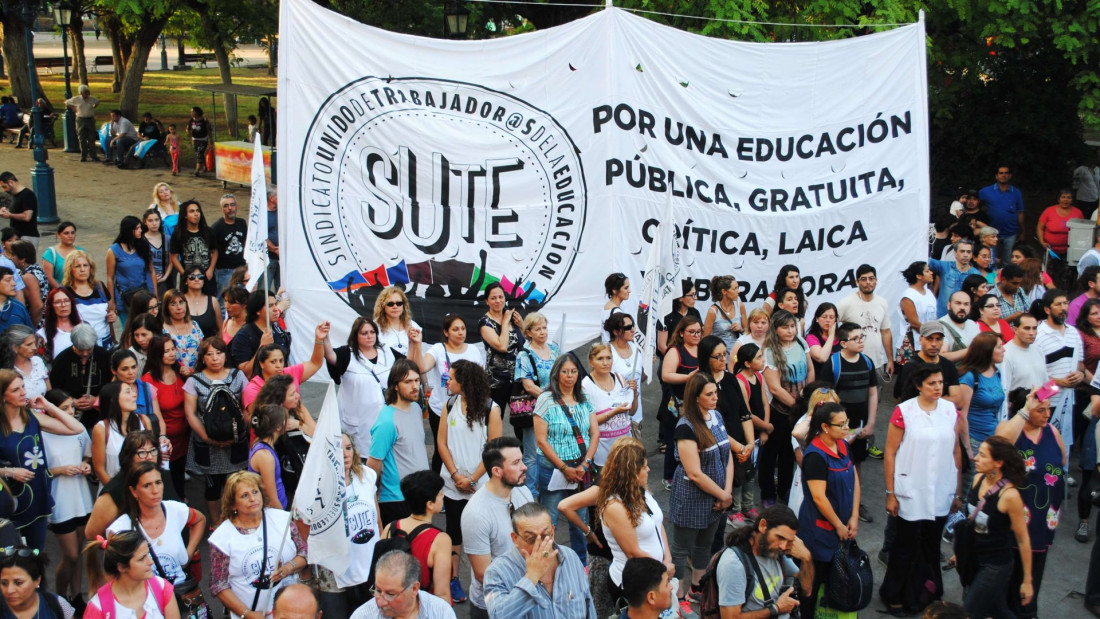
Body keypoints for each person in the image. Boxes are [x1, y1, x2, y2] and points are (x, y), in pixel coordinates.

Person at [881, 363, 963, 615]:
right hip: (910, 488)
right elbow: (890, 453)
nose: (938, 388)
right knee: (904, 545)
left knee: (931, 544)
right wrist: (890, 493)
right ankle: (894, 593)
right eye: (932, 384)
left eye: (940, 383)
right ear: (919, 386)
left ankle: (927, 591)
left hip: (941, 488)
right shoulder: (904, 411)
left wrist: (957, 491)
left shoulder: (950, 411)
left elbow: (955, 450)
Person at [558, 437, 672, 607]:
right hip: (636, 583)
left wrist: (667, 559)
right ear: (631, 473)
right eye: (644, 467)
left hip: (656, 575)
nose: (648, 469)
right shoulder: (614, 505)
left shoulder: (640, 490)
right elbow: (633, 553)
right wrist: (663, 570)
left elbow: (658, 523)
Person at [668, 373, 732, 615]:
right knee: (682, 548)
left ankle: (697, 586)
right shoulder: (686, 428)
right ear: (696, 399)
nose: (715, 398)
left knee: (705, 544)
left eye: (716, 393)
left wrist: (725, 492)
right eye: (709, 394)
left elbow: (727, 456)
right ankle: (679, 594)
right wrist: (723, 495)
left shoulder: (716, 416)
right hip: (692, 498)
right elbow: (694, 473)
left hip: (716, 496)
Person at [0, 368, 86, 549]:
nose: (23, 392)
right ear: (3, 396)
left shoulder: (32, 418)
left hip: (37, 495)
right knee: (10, 560)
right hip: (10, 500)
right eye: (16, 390)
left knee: (36, 556)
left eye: (23, 386)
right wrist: (9, 471)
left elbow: (76, 428)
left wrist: (48, 406)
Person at [997, 388, 1065, 615]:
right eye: (1040, 410)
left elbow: (1061, 462)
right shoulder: (1012, 432)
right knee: (1009, 570)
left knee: (1035, 569)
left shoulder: (1052, 432)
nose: (1047, 415)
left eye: (1048, 409)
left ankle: (1027, 611)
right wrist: (1025, 410)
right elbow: (999, 444)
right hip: (1015, 516)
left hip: (1043, 516)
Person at [437, 360, 500, 601]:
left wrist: (472, 479)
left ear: (463, 383)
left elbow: (493, 449)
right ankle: (454, 581)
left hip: (481, 485)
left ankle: (488, 581)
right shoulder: (449, 404)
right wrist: (455, 475)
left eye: (451, 378)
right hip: (453, 483)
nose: (448, 382)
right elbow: (441, 442)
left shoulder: (491, 409)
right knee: (454, 532)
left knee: (485, 534)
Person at [208, 471, 307, 619]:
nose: (253, 498)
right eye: (244, 495)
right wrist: (248, 614)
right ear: (233, 504)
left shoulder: (282, 520)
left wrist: (288, 568)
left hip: (291, 610)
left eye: (255, 491)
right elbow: (218, 585)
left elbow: (304, 554)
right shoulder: (222, 538)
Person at [955, 436, 1034, 618]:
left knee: (968, 612)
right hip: (974, 559)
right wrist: (959, 550)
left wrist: (1027, 581)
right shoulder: (977, 480)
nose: (975, 458)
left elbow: (1023, 539)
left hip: (995, 565)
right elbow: (972, 520)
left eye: (982, 455)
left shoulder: (1009, 496)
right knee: (998, 610)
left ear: (998, 463)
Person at [795, 402, 859, 619]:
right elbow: (819, 498)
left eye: (847, 423)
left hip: (842, 528)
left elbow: (855, 478)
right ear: (824, 427)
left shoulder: (843, 445)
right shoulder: (815, 456)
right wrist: (839, 525)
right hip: (819, 532)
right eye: (841, 424)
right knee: (813, 583)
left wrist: (854, 516)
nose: (846, 428)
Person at [533, 354, 598, 563]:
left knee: (580, 519)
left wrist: (585, 463)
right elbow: (541, 441)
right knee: (549, 518)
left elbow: (595, 433)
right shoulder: (546, 399)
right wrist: (564, 467)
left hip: (581, 467)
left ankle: (581, 563)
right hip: (553, 468)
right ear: (556, 374)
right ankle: (547, 562)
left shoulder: (585, 397)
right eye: (565, 371)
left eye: (573, 371)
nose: (569, 376)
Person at [483, 501, 597, 618]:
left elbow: (588, 606)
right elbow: (498, 615)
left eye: (546, 535)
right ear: (515, 539)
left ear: (552, 531)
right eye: (531, 539)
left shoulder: (570, 557)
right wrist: (532, 576)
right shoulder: (497, 572)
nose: (541, 544)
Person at [462, 436, 533, 619]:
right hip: (493, 605)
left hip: (527, 592)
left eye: (522, 460)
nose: (524, 467)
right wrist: (531, 578)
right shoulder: (476, 513)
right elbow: (482, 574)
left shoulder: (523, 492)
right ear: (497, 471)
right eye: (516, 463)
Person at [106, 461, 206, 586]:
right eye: (147, 485)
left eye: (158, 483)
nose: (155, 490)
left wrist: (188, 553)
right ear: (134, 491)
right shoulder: (120, 529)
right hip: (146, 599)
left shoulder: (175, 509)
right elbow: (114, 576)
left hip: (180, 593)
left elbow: (199, 520)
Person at [818, 322, 879, 522]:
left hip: (860, 428)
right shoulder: (833, 364)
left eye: (862, 337)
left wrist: (870, 423)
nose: (861, 341)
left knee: (856, 464)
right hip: (837, 430)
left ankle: (855, 502)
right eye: (856, 338)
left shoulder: (867, 362)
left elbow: (872, 393)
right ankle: (831, 503)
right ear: (843, 343)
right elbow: (825, 398)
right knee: (833, 464)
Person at [183, 338, 248, 522]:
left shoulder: (238, 376)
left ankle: (240, 517)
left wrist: (238, 432)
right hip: (208, 442)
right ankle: (216, 522)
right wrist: (208, 439)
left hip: (236, 440)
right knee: (212, 485)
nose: (215, 358)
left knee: (239, 482)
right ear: (203, 358)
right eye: (209, 354)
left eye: (219, 353)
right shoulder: (194, 381)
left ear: (225, 354)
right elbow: (191, 414)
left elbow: (248, 407)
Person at [40, 388, 92, 610]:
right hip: (60, 499)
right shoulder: (41, 433)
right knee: (70, 554)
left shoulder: (78, 430)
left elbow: (88, 452)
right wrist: (59, 470)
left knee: (79, 552)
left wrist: (86, 463)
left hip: (81, 496)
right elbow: (37, 470)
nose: (71, 411)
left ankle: (77, 595)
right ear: (50, 411)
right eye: (64, 408)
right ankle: (59, 598)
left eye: (71, 406)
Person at [714, 504, 813, 619]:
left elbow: (806, 590)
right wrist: (777, 608)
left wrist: (807, 558)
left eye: (789, 541)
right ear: (763, 526)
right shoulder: (733, 564)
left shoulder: (775, 553)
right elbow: (730, 617)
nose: (784, 546)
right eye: (780, 537)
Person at [695, 336, 753, 527]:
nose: (722, 359)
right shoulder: (700, 382)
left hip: (740, 437)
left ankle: (747, 505)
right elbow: (708, 422)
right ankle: (732, 510)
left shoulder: (730, 379)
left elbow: (744, 413)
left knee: (746, 473)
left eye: (724, 355)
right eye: (717, 356)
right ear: (706, 357)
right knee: (729, 476)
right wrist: (738, 447)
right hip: (718, 442)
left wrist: (750, 443)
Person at [325, 316, 404, 456]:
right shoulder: (346, 354)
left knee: (384, 456)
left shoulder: (387, 351)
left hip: (384, 420)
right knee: (361, 461)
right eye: (364, 333)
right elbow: (331, 357)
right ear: (356, 335)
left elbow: (407, 366)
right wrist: (324, 339)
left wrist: (415, 343)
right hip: (357, 425)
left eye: (372, 332)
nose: (369, 336)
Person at [84, 430, 179, 539]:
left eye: (153, 451)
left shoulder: (163, 475)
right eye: (142, 452)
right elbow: (91, 533)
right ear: (129, 458)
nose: (149, 457)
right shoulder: (115, 490)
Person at [368, 358, 429, 526]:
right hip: (396, 501)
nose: (415, 386)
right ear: (395, 386)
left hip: (419, 495)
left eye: (417, 380)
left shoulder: (416, 409)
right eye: (408, 382)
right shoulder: (387, 421)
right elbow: (373, 465)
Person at [760, 310, 813, 505]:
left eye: (792, 326)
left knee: (790, 452)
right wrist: (797, 407)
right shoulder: (770, 352)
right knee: (771, 452)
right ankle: (767, 493)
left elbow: (811, 369)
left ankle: (785, 489)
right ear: (775, 329)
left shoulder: (800, 342)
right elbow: (774, 387)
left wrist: (809, 397)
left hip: (800, 407)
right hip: (779, 411)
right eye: (785, 327)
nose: (790, 330)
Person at [379, 471, 453, 605]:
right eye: (440, 494)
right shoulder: (440, 540)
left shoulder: (390, 528)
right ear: (430, 504)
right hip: (422, 608)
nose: (443, 497)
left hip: (391, 606)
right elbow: (442, 593)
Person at [414, 314, 476, 472]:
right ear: (446, 332)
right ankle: (437, 488)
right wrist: (416, 344)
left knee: (465, 447)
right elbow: (421, 367)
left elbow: (480, 381)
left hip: (467, 409)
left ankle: (464, 477)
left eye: (463, 328)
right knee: (442, 448)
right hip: (441, 409)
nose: (461, 332)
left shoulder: (474, 350)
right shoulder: (437, 349)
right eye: (455, 329)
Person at [1034, 289, 1085, 462]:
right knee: (1044, 445)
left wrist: (1080, 374)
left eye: (1066, 303)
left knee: (1062, 445)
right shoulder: (1039, 335)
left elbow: (1080, 364)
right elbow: (1035, 374)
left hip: (1069, 400)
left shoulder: (1073, 332)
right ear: (1048, 309)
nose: (1064, 308)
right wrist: (1059, 382)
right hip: (1047, 401)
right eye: (1058, 304)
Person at [82, 530, 181, 619]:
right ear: (121, 567)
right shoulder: (98, 607)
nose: (151, 562)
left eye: (148, 554)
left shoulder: (161, 588)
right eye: (142, 558)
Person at [514, 312, 560, 498]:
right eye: (537, 329)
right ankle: (531, 494)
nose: (542, 332)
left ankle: (553, 487)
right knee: (532, 454)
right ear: (529, 332)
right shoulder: (524, 355)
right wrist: (549, 398)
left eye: (544, 328)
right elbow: (527, 385)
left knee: (555, 447)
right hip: (536, 410)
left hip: (557, 408)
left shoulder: (555, 350)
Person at [337, 433, 380, 612]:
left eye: (348, 448)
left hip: (372, 563)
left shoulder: (367, 475)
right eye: (339, 449)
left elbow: (377, 517)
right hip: (344, 572)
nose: (345, 454)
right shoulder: (322, 488)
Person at [242, 322, 328, 410]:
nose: (279, 365)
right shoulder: (253, 389)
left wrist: (319, 339)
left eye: (281, 361)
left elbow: (315, 363)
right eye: (273, 362)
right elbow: (256, 419)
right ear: (261, 364)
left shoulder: (290, 373)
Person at [142, 336, 187, 497]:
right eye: (166, 351)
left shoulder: (180, 370)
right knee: (167, 476)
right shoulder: (148, 380)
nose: (171, 354)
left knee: (180, 473)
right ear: (156, 354)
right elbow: (154, 414)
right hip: (165, 438)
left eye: (173, 349)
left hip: (184, 435)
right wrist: (161, 436)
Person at [349, 550, 456, 619]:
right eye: (378, 591)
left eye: (390, 594)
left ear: (414, 589)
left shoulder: (441, 612)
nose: (380, 602)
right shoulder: (363, 616)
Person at [660, 314, 702, 485]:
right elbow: (666, 375)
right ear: (682, 333)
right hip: (677, 404)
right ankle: (669, 477)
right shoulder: (675, 350)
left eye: (699, 331)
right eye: (692, 332)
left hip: (698, 402)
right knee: (674, 441)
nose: (696, 335)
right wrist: (688, 377)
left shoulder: (703, 348)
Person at [90, 378, 157, 486]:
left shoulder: (144, 421)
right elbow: (99, 469)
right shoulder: (101, 429)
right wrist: (117, 494)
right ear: (113, 399)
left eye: (132, 390)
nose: (134, 394)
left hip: (144, 490)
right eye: (128, 391)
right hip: (114, 492)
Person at [583, 343, 637, 470]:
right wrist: (614, 412)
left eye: (608, 358)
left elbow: (632, 412)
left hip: (625, 445)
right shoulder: (585, 386)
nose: (605, 363)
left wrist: (634, 394)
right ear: (591, 362)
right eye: (600, 359)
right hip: (603, 450)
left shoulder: (619, 378)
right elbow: (587, 423)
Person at [48, 324, 110, 430]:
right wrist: (72, 402)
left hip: (99, 417)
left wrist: (97, 399)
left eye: (89, 349)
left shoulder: (103, 356)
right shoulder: (62, 360)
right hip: (72, 418)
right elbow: (55, 389)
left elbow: (111, 383)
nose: (85, 353)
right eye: (80, 349)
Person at [837, 264, 895, 376]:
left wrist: (890, 360)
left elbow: (886, 332)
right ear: (857, 282)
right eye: (863, 279)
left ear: (876, 281)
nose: (868, 282)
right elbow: (832, 329)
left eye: (871, 278)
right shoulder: (845, 303)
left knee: (877, 392)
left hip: (877, 362)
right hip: (853, 362)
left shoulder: (882, 302)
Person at [958, 332, 1007, 458]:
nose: (1004, 350)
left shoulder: (997, 372)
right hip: (974, 439)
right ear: (987, 351)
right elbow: (962, 415)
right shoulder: (969, 377)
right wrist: (967, 448)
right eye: (999, 347)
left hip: (993, 439)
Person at [480, 282, 526, 410]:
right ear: (486, 301)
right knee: (495, 418)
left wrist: (522, 325)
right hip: (497, 382)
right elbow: (502, 346)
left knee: (521, 419)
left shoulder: (512, 316)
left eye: (501, 297)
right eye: (493, 298)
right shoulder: (485, 323)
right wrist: (505, 322)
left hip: (518, 379)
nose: (498, 301)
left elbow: (527, 341)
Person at [0, 544, 78, 619]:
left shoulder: (59, 605)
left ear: (37, 580)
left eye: (18, 583)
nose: (10, 590)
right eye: (4, 583)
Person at [105, 217, 156, 329]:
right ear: (129, 230)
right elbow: (110, 278)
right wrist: (111, 302)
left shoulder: (143, 246)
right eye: (137, 228)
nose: (140, 230)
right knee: (128, 330)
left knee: (146, 327)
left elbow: (151, 272)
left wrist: (155, 295)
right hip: (124, 298)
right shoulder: (114, 250)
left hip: (144, 295)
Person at [62, 250, 115, 348]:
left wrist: (112, 316)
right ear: (70, 269)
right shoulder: (65, 292)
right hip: (80, 346)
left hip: (105, 343)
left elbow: (110, 310)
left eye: (85, 265)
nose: (82, 269)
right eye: (77, 266)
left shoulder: (100, 287)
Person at [605, 312, 645, 436]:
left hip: (636, 414)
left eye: (633, 326)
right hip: (616, 417)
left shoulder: (636, 348)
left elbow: (641, 377)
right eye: (627, 327)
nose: (632, 329)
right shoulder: (607, 352)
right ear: (616, 332)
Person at [231, 290, 289, 373]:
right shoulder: (243, 336)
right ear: (257, 310)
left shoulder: (278, 330)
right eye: (270, 306)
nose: (276, 309)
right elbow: (245, 372)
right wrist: (262, 346)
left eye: (275, 304)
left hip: (280, 383)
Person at [979, 165, 1027, 259]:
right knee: (990, 259)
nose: (1003, 175)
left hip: (1011, 233)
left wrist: (1023, 232)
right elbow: (974, 203)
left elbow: (1020, 212)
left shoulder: (1016, 192)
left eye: (1006, 173)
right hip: (991, 233)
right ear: (996, 176)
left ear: (1010, 176)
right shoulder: (985, 191)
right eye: (1001, 173)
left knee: (1009, 260)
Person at [169, 200, 217, 294]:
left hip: (206, 276)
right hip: (188, 277)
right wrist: (184, 274)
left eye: (197, 211)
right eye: (192, 211)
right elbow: (174, 257)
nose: (196, 214)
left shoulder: (208, 231)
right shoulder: (178, 234)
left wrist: (211, 270)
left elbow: (215, 252)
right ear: (185, 215)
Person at [248, 404, 290, 509]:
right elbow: (271, 499)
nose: (288, 423)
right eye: (285, 420)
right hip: (275, 511)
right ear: (278, 427)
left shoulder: (260, 441)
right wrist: (284, 519)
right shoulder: (265, 456)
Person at [929, 239, 980, 317]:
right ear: (955, 253)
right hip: (942, 316)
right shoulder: (945, 267)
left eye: (968, 252)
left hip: (964, 317)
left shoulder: (976, 274)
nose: (965, 255)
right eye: (962, 251)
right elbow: (924, 260)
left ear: (972, 255)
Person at [161, 289, 204, 376]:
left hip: (198, 374)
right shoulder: (163, 330)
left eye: (181, 302)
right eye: (173, 304)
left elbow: (203, 350)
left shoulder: (195, 325)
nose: (179, 307)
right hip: (176, 375)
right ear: (166, 308)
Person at [210, 194, 247, 294]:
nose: (230, 208)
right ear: (222, 209)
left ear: (237, 206)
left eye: (232, 204)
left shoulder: (242, 223)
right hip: (224, 271)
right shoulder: (216, 227)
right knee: (224, 300)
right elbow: (212, 251)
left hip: (241, 269)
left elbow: (246, 243)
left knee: (243, 298)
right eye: (226, 206)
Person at [1, 325, 48, 402]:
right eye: (29, 344)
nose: (34, 348)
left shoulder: (38, 361)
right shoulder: (5, 371)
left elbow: (49, 390)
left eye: (34, 343)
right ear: (15, 348)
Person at [373, 285, 420, 357]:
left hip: (409, 367)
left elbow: (418, 356)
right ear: (382, 306)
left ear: (404, 305)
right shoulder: (374, 327)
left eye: (399, 303)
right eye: (390, 304)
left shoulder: (414, 326)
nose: (395, 307)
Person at [39, 287, 81, 361]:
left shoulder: (83, 327)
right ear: (51, 306)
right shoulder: (42, 334)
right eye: (58, 302)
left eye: (66, 301)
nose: (63, 305)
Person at [703, 275, 744, 348]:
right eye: (734, 289)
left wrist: (740, 329)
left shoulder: (740, 306)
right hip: (720, 355)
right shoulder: (713, 311)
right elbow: (706, 339)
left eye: (738, 288)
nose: (738, 291)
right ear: (724, 291)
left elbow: (748, 333)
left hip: (737, 354)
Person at [938, 290, 980, 362]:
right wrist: (973, 350)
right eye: (958, 303)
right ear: (949, 306)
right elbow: (942, 357)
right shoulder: (940, 326)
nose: (962, 307)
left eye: (966, 304)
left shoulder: (972, 324)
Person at [181, 267, 222, 340]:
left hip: (209, 348)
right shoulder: (180, 300)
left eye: (200, 277)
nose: (197, 279)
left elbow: (220, 329)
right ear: (185, 281)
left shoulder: (213, 301)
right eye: (192, 277)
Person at [41, 222, 83, 290]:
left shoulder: (81, 252)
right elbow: (48, 277)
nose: (70, 236)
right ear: (58, 235)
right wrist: (62, 291)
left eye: (72, 233)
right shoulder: (50, 253)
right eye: (66, 233)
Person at [0, 173, 38, 250]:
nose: (4, 190)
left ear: (11, 182)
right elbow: (16, 212)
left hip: (27, 236)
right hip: (17, 236)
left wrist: (10, 215)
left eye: (4, 186)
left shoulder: (27, 195)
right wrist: (5, 211)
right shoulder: (15, 196)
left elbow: (27, 216)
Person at [65, 84, 100, 162]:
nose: (86, 94)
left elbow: (97, 101)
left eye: (87, 92)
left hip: (90, 119)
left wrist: (94, 107)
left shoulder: (91, 99)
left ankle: (93, 155)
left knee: (91, 137)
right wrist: (74, 108)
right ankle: (83, 155)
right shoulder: (76, 99)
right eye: (84, 93)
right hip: (81, 119)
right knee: (82, 138)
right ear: (81, 93)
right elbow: (67, 102)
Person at [805, 302, 839, 379]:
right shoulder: (811, 337)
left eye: (831, 317)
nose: (828, 320)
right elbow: (822, 358)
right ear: (817, 319)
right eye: (824, 317)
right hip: (821, 384)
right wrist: (831, 336)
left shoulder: (842, 337)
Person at [600, 272, 633, 343]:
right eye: (626, 288)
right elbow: (623, 338)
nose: (629, 291)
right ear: (614, 290)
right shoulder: (616, 312)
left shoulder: (607, 306)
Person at [0, 267, 30, 333]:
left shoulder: (19, 308)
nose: (14, 284)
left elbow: (30, 334)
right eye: (8, 280)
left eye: (13, 280)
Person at [187, 107, 211, 177]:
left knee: (199, 153)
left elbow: (209, 130)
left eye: (193, 112)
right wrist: (188, 132)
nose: (191, 113)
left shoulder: (204, 120)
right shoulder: (191, 120)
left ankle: (197, 170)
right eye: (191, 112)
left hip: (203, 139)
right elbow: (188, 128)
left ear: (197, 112)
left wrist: (211, 139)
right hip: (195, 140)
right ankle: (205, 165)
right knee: (199, 154)